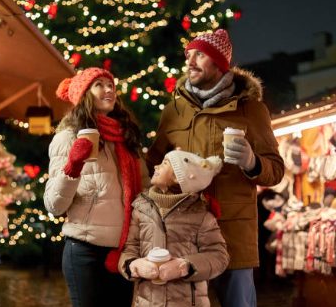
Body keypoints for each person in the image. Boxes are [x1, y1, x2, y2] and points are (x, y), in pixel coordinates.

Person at [146, 29, 285, 306]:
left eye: (200, 54)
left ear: (220, 63)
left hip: (232, 233)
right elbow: (153, 165)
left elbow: (276, 170)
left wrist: (252, 162)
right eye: (188, 55)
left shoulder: (251, 110)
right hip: (184, 236)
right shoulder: (173, 111)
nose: (190, 61)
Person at [44, 67, 149, 307]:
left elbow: (145, 191)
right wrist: (73, 166)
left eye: (111, 85)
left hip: (124, 252)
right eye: (99, 84)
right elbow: (54, 205)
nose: (109, 89)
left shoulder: (126, 137)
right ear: (84, 94)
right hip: (85, 251)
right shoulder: (67, 138)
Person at [119, 149, 230, 306]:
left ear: (178, 178)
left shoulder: (201, 215)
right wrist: (133, 265)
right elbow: (130, 248)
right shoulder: (141, 208)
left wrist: (184, 267)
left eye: (164, 163)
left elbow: (219, 256)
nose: (156, 166)